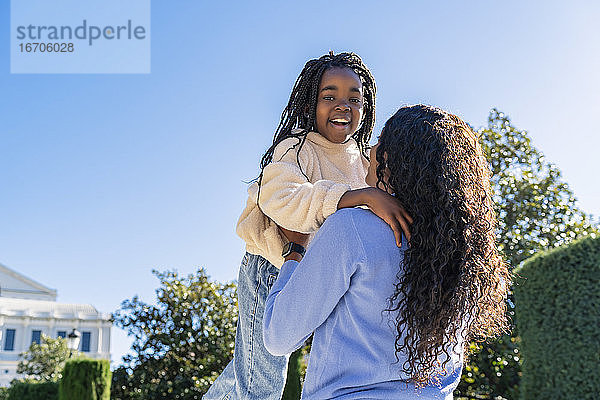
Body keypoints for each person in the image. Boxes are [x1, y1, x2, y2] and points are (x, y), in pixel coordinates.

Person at [263, 104, 510, 399]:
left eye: (382, 141)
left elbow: (278, 337)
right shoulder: (467, 259)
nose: (371, 148)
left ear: (400, 160)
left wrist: (295, 251)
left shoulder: (351, 229)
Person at [203, 52, 412, 400]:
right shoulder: (297, 147)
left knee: (250, 362)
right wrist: (358, 196)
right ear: (310, 102)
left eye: (354, 98)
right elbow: (282, 200)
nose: (342, 106)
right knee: (264, 375)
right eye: (329, 96)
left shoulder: (362, 160)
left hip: (316, 275)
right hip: (270, 267)